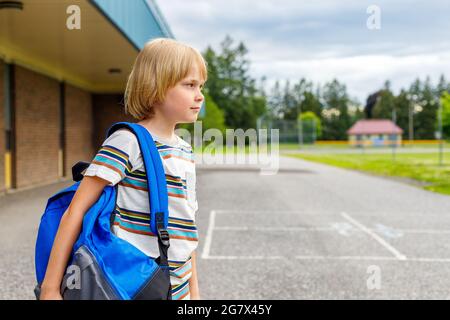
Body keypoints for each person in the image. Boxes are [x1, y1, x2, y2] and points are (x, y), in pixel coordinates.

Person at [39, 38, 207, 300]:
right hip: (133, 284)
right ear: (157, 87)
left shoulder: (185, 151)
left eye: (200, 86)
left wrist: (195, 294)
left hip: (179, 286)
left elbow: (187, 227)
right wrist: (50, 289)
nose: (200, 95)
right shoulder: (128, 141)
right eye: (190, 85)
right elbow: (75, 211)